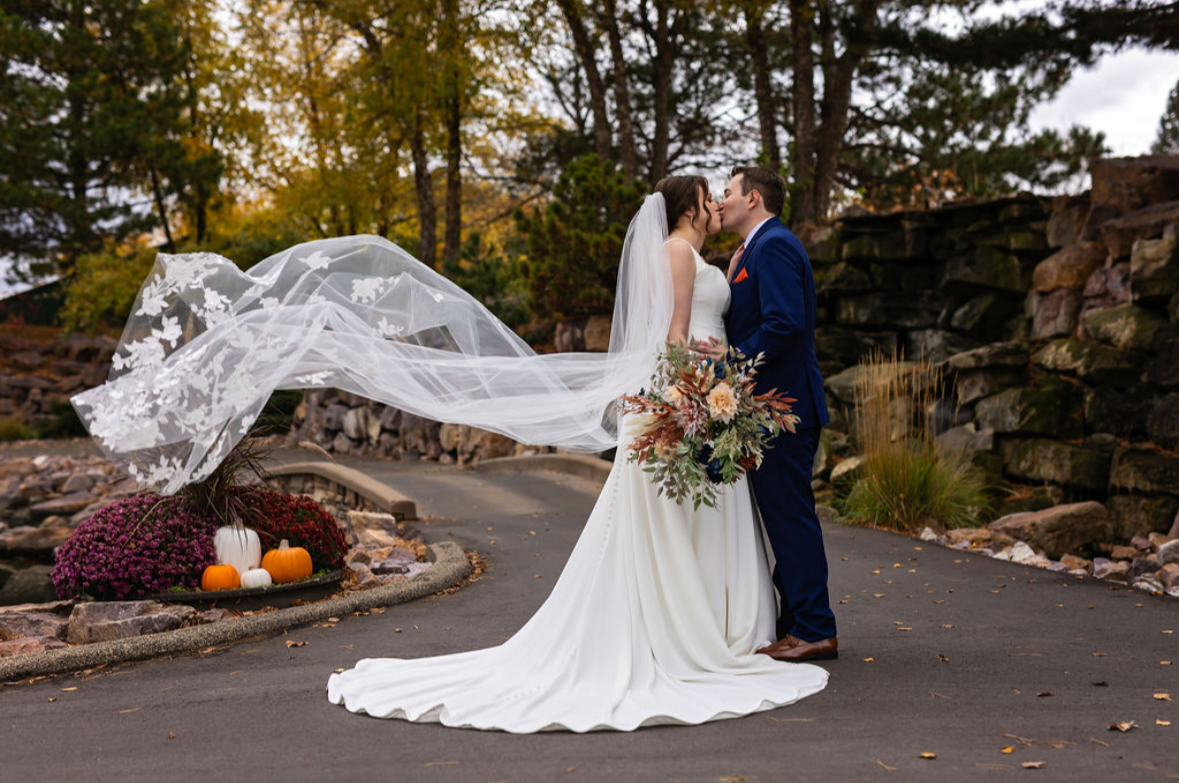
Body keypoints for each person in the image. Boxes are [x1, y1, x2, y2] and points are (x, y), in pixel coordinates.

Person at [71, 176, 829, 734]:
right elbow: (667, 337)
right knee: (671, 527)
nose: (721, 198)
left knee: (707, 520)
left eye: (730, 190)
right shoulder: (675, 251)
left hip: (711, 402)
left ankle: (738, 625)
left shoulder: (729, 254)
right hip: (688, 399)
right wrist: (690, 391)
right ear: (693, 204)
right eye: (714, 192)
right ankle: (693, 631)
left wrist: (716, 387)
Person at [707, 165, 838, 662]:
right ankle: (796, 623)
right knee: (785, 519)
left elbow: (785, 326)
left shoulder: (775, 245)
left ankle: (815, 629)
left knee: (791, 519)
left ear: (754, 199)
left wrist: (731, 359)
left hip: (785, 408)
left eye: (728, 193)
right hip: (769, 408)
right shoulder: (751, 249)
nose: (722, 202)